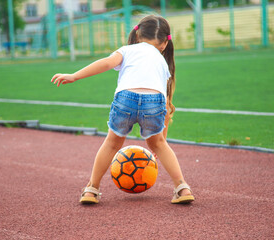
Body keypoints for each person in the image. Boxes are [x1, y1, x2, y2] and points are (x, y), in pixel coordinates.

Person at [51, 15, 194, 204]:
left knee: (111, 144)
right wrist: (160, 140)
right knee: (159, 144)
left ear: (137, 34)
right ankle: (183, 189)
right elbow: (166, 107)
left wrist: (75, 76)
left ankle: (91, 190)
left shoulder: (127, 50)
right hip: (154, 101)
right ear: (164, 44)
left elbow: (106, 63)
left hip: (126, 98)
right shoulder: (162, 62)